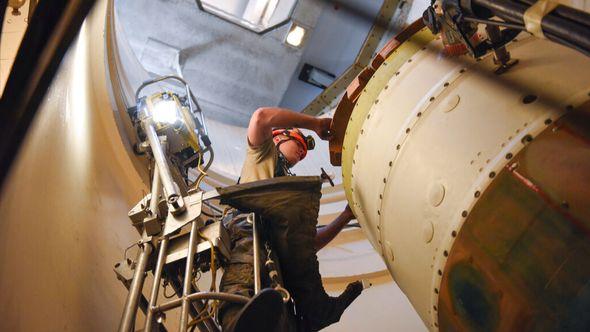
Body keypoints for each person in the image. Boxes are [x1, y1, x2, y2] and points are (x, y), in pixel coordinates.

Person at [218, 107, 363, 332]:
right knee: (242, 293)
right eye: (299, 143)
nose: (303, 152)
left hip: (278, 260)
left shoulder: (289, 200)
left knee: (284, 314)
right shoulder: (261, 154)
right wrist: (314, 124)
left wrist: (345, 216)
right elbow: (261, 117)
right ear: (278, 136)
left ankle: (319, 313)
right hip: (251, 233)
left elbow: (308, 244)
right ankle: (235, 321)